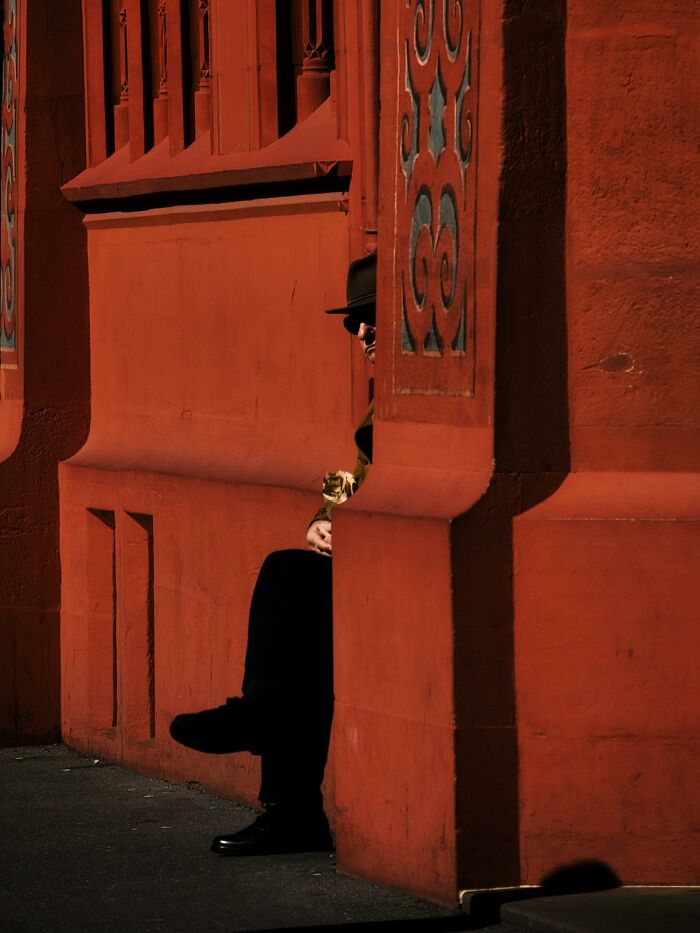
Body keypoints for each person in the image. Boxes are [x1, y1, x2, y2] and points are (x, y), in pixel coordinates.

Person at [169, 253, 377, 856]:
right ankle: (280, 780)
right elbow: (350, 473)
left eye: (369, 318)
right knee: (288, 571)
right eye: (351, 322)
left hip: (402, 570)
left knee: (287, 583)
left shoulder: (419, 395)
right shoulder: (379, 404)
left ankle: (274, 761)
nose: (359, 332)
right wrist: (321, 518)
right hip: (364, 562)